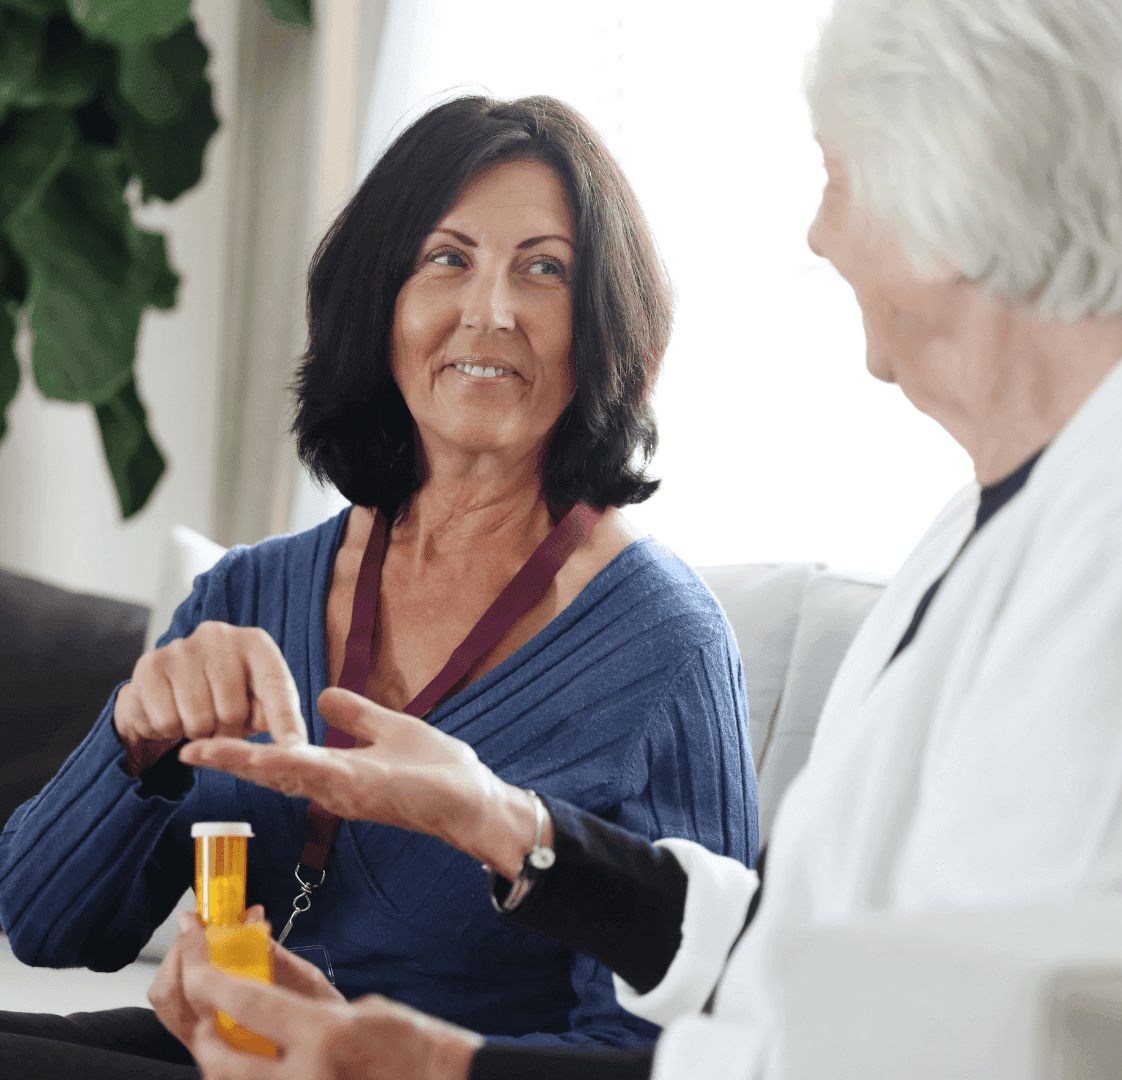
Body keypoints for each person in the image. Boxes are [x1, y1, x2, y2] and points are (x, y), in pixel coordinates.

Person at [161, 0, 1122, 1077]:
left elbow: (949, 1048)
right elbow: (807, 953)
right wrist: (512, 826)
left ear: (955, 190)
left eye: (837, 175)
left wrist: (434, 1068)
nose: (820, 235)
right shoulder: (1005, 514)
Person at [0, 96, 760, 1078]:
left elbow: (656, 1051)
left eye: (545, 268)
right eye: (448, 259)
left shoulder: (666, 650)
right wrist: (132, 742)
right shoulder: (248, 592)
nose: (491, 309)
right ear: (381, 301)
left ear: (603, 325)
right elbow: (45, 927)